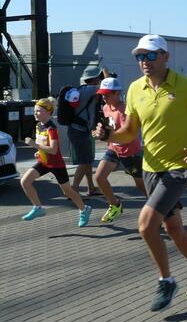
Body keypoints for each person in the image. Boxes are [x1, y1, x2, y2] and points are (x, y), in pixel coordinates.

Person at [93, 34, 187, 311]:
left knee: (145, 225)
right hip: (150, 168)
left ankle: (166, 280)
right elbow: (129, 131)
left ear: (165, 56)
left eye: (151, 55)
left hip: (179, 167)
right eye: (140, 56)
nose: (144, 61)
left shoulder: (186, 86)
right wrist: (109, 135)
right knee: (172, 227)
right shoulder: (135, 89)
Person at [21, 98, 92, 226]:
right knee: (25, 181)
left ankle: (84, 209)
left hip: (56, 165)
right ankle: (38, 208)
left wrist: (35, 145)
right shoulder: (38, 125)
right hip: (43, 162)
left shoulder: (52, 129)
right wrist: (39, 152)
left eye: (38, 111)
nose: (35, 113)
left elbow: (53, 150)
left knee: (67, 191)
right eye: (35, 111)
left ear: (48, 113)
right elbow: (44, 145)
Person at [94, 77, 147, 223]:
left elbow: (128, 134)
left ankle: (159, 209)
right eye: (102, 94)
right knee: (99, 177)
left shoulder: (124, 110)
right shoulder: (105, 108)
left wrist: (108, 136)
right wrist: (100, 133)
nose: (104, 97)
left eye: (107, 94)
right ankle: (115, 205)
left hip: (131, 153)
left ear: (117, 94)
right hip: (113, 150)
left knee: (142, 185)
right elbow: (109, 128)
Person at [68, 65, 108, 196]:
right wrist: (105, 72)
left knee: (88, 160)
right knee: (84, 161)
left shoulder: (81, 89)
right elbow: (107, 86)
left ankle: (91, 187)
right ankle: (73, 189)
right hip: (79, 131)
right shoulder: (91, 89)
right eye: (99, 77)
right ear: (95, 79)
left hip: (79, 130)